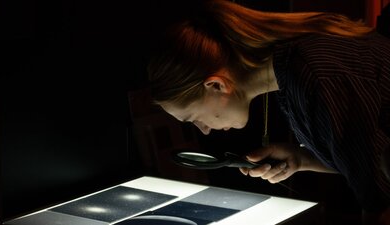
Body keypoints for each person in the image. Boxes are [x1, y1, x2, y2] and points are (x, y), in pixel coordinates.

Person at [147, 0, 390, 223]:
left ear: (216, 85)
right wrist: (301, 158)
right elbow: (366, 158)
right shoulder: (291, 72)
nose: (205, 129)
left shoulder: (315, 75)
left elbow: (381, 200)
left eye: (194, 118)